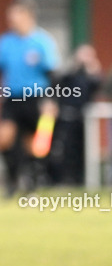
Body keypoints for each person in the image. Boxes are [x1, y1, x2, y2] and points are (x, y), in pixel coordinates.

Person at [0, 0, 60, 197]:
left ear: (28, 16)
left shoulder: (42, 42)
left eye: (15, 15)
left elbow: (52, 74)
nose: (11, 20)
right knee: (3, 139)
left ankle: (31, 182)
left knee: (34, 144)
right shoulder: (4, 42)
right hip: (11, 97)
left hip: (36, 97)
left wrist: (51, 100)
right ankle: (11, 179)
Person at [49, 43, 102, 185]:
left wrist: (93, 70)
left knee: (82, 150)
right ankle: (60, 179)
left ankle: (80, 180)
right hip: (66, 117)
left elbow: (98, 86)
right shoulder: (69, 74)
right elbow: (57, 82)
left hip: (83, 118)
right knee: (63, 149)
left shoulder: (91, 76)